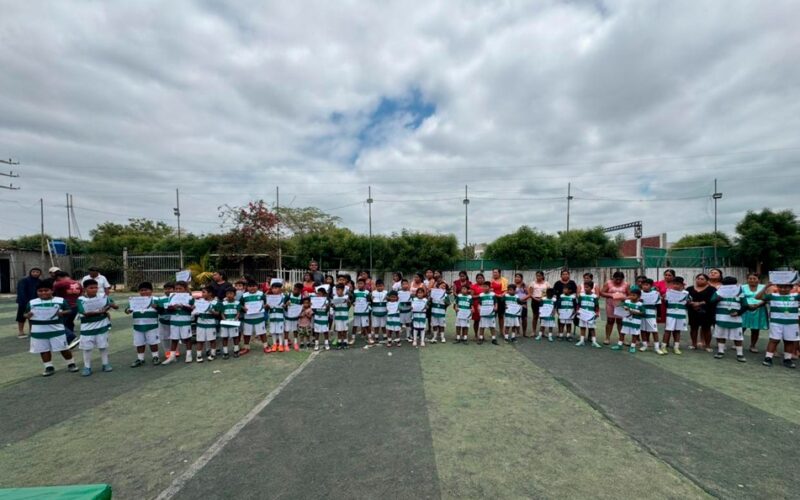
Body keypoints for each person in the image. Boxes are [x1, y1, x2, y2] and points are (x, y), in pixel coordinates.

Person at [25, 281, 79, 376]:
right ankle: (48, 366)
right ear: (37, 292)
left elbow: (69, 310)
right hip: (39, 330)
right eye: (40, 291)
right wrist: (28, 315)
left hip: (56, 329)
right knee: (43, 349)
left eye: (46, 290)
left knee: (63, 348)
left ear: (52, 290)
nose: (43, 293)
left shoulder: (60, 300)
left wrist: (62, 313)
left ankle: (71, 363)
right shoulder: (32, 302)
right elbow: (25, 314)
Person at [77, 279, 118, 376]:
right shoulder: (81, 299)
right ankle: (87, 367)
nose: (94, 290)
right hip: (87, 328)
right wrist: (100, 312)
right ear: (85, 289)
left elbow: (115, 306)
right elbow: (84, 313)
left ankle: (105, 364)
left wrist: (112, 305)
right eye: (91, 288)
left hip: (102, 326)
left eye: (96, 287)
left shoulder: (103, 296)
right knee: (87, 348)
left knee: (103, 346)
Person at [756, 282, 799, 368]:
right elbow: (757, 297)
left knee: (789, 341)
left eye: (786, 287)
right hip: (776, 322)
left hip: (791, 323)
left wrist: (798, 284)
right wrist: (766, 286)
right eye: (781, 287)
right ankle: (768, 358)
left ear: (791, 288)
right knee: (774, 340)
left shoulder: (796, 296)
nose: (783, 289)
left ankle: (787, 359)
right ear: (777, 287)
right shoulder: (773, 295)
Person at [710, 277, 748, 362]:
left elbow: (745, 305)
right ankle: (720, 351)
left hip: (735, 318)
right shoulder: (719, 292)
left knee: (738, 337)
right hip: (721, 318)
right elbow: (711, 302)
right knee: (720, 335)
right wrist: (717, 299)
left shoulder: (740, 292)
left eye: (731, 285)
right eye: (726, 285)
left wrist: (738, 313)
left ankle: (740, 354)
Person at [125, 281, 161, 367]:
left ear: (151, 290)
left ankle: (155, 357)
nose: (144, 292)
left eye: (146, 290)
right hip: (138, 326)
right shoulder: (134, 300)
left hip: (152, 326)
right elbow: (126, 310)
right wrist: (128, 310)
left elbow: (162, 311)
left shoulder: (156, 300)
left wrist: (157, 307)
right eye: (141, 290)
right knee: (139, 343)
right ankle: (140, 359)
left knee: (153, 342)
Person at [162, 280, 195, 364]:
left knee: (187, 338)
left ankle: (189, 355)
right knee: (174, 338)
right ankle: (172, 356)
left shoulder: (190, 297)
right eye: (176, 289)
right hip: (174, 320)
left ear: (185, 289)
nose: (178, 290)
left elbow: (192, 309)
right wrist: (173, 307)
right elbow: (168, 309)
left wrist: (183, 306)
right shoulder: (171, 296)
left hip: (185, 320)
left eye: (180, 288)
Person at [52, 271, 82, 346]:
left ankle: (71, 337)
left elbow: (52, 293)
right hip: (76, 305)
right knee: (69, 323)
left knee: (59, 323)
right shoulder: (77, 283)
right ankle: (69, 342)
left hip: (65, 306)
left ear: (58, 277)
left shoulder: (59, 283)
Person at [687, 273, 715, 351]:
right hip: (693, 311)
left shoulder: (712, 289)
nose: (699, 280)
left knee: (706, 328)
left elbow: (712, 300)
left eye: (702, 279)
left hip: (707, 312)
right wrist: (692, 303)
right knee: (693, 328)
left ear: (707, 281)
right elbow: (685, 298)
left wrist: (700, 303)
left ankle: (707, 345)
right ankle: (693, 344)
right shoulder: (689, 289)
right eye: (698, 278)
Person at [741, 272, 768, 353]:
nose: (752, 280)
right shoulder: (742, 287)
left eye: (754, 278)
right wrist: (747, 305)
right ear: (747, 279)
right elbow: (739, 298)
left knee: (755, 329)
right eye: (750, 278)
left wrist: (758, 304)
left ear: (758, 280)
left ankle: (752, 345)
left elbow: (767, 298)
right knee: (741, 327)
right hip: (745, 309)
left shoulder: (764, 287)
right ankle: (738, 343)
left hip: (759, 309)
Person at [612, 288, 645, 353]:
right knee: (622, 333)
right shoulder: (627, 302)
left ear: (638, 296)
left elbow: (643, 313)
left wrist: (632, 311)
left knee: (634, 334)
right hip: (626, 321)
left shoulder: (640, 304)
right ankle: (619, 345)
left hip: (635, 322)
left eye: (634, 295)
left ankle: (632, 346)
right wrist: (622, 302)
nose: (632, 296)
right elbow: (620, 306)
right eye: (631, 295)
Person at [600, 271, 629, 345]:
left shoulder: (626, 284)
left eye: (620, 279)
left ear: (623, 279)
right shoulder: (608, 283)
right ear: (613, 278)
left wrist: (623, 297)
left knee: (620, 321)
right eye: (617, 279)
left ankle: (622, 339)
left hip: (621, 305)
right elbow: (602, 292)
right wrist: (612, 295)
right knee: (610, 321)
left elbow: (629, 294)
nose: (618, 281)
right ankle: (607, 338)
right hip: (610, 304)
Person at [662, 277, 689, 355]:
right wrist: (664, 299)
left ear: (682, 285)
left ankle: (676, 347)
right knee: (668, 330)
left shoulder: (686, 293)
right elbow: (666, 304)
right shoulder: (668, 292)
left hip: (681, 314)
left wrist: (688, 301)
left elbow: (688, 304)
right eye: (674, 284)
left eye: (677, 284)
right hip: (671, 314)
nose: (675, 286)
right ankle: (663, 346)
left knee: (677, 331)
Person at [239, 280, 267, 356]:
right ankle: (246, 347)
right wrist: (243, 308)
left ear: (257, 287)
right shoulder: (244, 295)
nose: (252, 288)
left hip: (259, 317)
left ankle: (265, 346)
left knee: (262, 332)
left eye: (254, 286)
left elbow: (266, 303)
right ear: (247, 287)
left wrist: (265, 306)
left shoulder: (261, 294)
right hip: (248, 318)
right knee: (246, 333)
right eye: (250, 286)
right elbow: (240, 305)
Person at [192, 286, 219, 362]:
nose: (202, 294)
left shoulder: (215, 302)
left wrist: (212, 312)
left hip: (211, 324)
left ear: (210, 293)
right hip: (200, 323)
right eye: (202, 292)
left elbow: (218, 313)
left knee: (212, 340)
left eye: (204, 292)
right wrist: (194, 308)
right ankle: (199, 356)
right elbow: (194, 310)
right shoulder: (199, 301)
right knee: (200, 340)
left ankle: (213, 354)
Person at [16, 267, 41, 338]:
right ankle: (21, 332)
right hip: (23, 302)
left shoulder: (39, 281)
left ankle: (32, 331)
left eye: (37, 272)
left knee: (32, 316)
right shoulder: (24, 280)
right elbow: (21, 292)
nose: (35, 273)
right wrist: (24, 301)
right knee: (21, 317)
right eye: (33, 272)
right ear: (30, 272)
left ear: (40, 273)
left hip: (35, 302)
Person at [639, 279, 662, 353]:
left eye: (647, 285)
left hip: (651, 315)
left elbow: (658, 305)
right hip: (641, 314)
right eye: (643, 285)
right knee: (643, 330)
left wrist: (659, 315)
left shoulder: (656, 294)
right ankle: (644, 345)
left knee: (654, 331)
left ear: (651, 286)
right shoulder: (639, 293)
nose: (645, 286)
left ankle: (657, 347)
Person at [576, 281, 601, 348]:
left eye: (587, 287)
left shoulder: (595, 296)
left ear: (591, 288)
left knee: (592, 328)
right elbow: (578, 304)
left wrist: (597, 313)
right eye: (584, 287)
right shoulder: (581, 295)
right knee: (582, 327)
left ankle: (594, 341)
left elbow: (597, 306)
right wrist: (577, 310)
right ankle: (582, 340)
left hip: (591, 315)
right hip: (583, 314)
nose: (585, 288)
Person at [218, 287, 241, 359]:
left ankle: (236, 351)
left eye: (231, 293)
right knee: (225, 337)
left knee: (235, 337)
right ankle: (225, 352)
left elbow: (238, 313)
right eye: (227, 293)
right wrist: (225, 320)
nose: (229, 295)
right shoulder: (223, 303)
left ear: (234, 294)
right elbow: (222, 313)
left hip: (234, 323)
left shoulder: (237, 303)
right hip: (225, 323)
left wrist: (235, 319)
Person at [266, 282, 287, 353]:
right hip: (272, 316)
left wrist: (285, 306)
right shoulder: (269, 297)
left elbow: (287, 307)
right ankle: (274, 344)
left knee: (280, 331)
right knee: (273, 331)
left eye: (276, 288)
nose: (274, 290)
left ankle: (281, 345)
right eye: (273, 288)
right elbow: (267, 308)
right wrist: (267, 306)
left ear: (280, 289)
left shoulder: (283, 297)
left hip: (280, 316)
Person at [154, 282, 174, 354]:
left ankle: (175, 350)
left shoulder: (177, 298)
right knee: (164, 337)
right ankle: (167, 351)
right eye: (166, 289)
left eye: (169, 289)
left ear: (173, 289)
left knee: (175, 336)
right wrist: (157, 307)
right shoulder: (160, 299)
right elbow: (159, 311)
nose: (167, 290)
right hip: (163, 321)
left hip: (174, 321)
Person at [284, 283, 304, 352]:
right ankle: (286, 344)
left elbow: (302, 307)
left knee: (295, 330)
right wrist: (286, 305)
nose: (295, 291)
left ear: (300, 290)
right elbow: (283, 305)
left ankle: (295, 343)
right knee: (286, 330)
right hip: (288, 316)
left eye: (297, 290)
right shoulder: (289, 295)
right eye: (294, 289)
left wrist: (301, 312)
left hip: (296, 317)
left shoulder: (301, 297)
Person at [477, 280, 498, 345]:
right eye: (483, 287)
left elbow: (495, 302)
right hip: (483, 313)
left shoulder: (493, 294)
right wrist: (478, 307)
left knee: (492, 327)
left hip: (491, 313)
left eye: (486, 286)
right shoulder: (481, 295)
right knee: (482, 326)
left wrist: (496, 307)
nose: (484, 288)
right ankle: (480, 338)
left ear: (489, 287)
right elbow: (479, 303)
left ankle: (494, 339)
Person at [351, 278, 371, 345]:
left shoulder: (367, 292)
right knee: (355, 326)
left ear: (364, 284)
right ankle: (353, 338)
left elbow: (369, 302)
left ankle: (370, 338)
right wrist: (353, 303)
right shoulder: (355, 292)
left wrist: (368, 309)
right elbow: (352, 301)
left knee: (366, 326)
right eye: (358, 284)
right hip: (357, 312)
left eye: (361, 283)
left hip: (364, 312)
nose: (360, 285)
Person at [332, 283, 351, 350]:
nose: (337, 291)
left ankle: (345, 342)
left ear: (343, 290)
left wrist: (348, 302)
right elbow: (334, 307)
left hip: (345, 316)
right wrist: (333, 306)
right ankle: (339, 343)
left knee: (345, 330)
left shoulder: (346, 297)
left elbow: (349, 306)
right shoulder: (335, 297)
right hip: (338, 316)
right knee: (339, 331)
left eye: (339, 290)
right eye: (336, 290)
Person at [312, 287, 331, 351]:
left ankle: (326, 343)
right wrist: (312, 306)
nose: (318, 295)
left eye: (319, 294)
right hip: (317, 318)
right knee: (317, 332)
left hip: (324, 318)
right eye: (317, 294)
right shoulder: (315, 300)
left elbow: (327, 311)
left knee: (325, 331)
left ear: (324, 294)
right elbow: (314, 310)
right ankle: (316, 344)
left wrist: (327, 306)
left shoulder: (326, 301)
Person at [370, 279, 388, 344]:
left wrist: (387, 298)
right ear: (376, 286)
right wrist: (371, 299)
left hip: (384, 312)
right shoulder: (373, 292)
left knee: (383, 326)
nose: (379, 287)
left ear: (383, 286)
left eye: (381, 286)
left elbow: (389, 301)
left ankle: (385, 337)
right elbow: (371, 301)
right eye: (378, 286)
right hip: (375, 312)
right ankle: (376, 337)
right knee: (376, 326)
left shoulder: (386, 292)